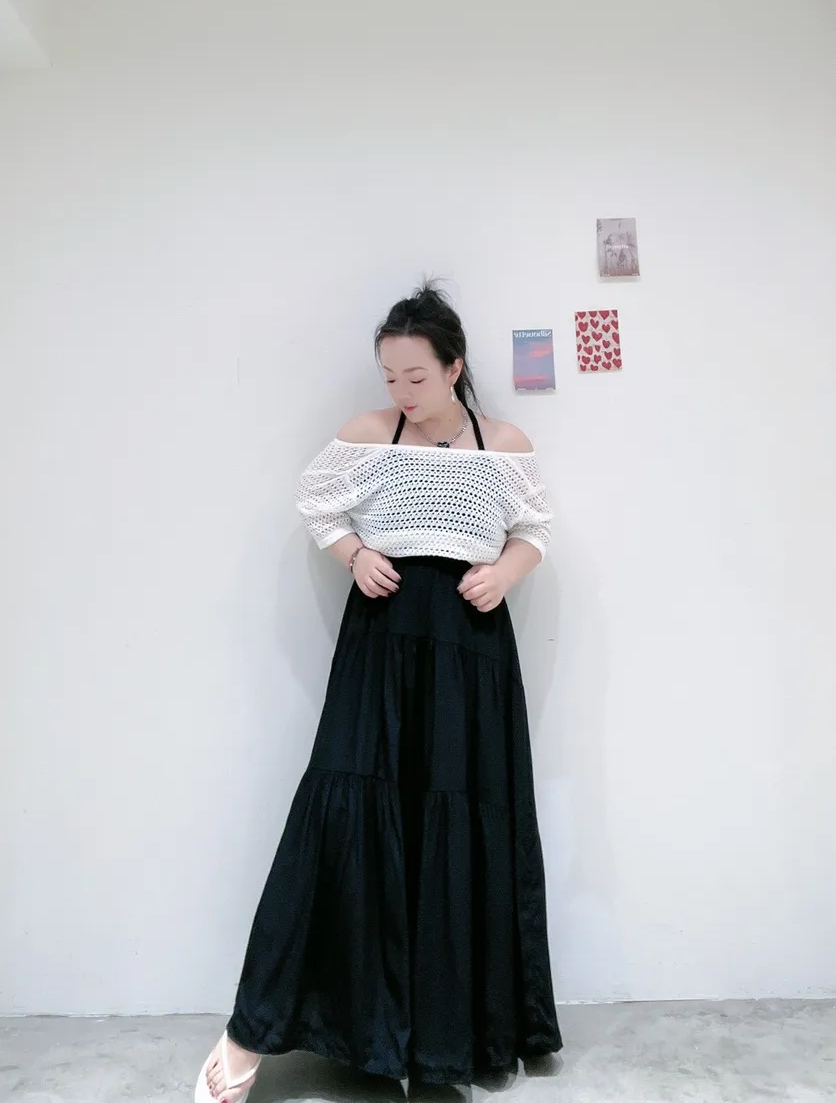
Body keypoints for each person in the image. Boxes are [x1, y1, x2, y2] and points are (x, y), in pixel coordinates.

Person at [196, 282, 562, 1103]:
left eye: (416, 377)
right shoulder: (370, 434)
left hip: (469, 650)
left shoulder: (503, 442)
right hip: (382, 645)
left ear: (454, 367)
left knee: (454, 822)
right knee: (345, 816)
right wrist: (356, 554)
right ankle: (255, 1030)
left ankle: (440, 1043)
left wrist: (505, 571)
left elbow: (535, 528)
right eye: (390, 376)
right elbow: (317, 503)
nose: (401, 391)